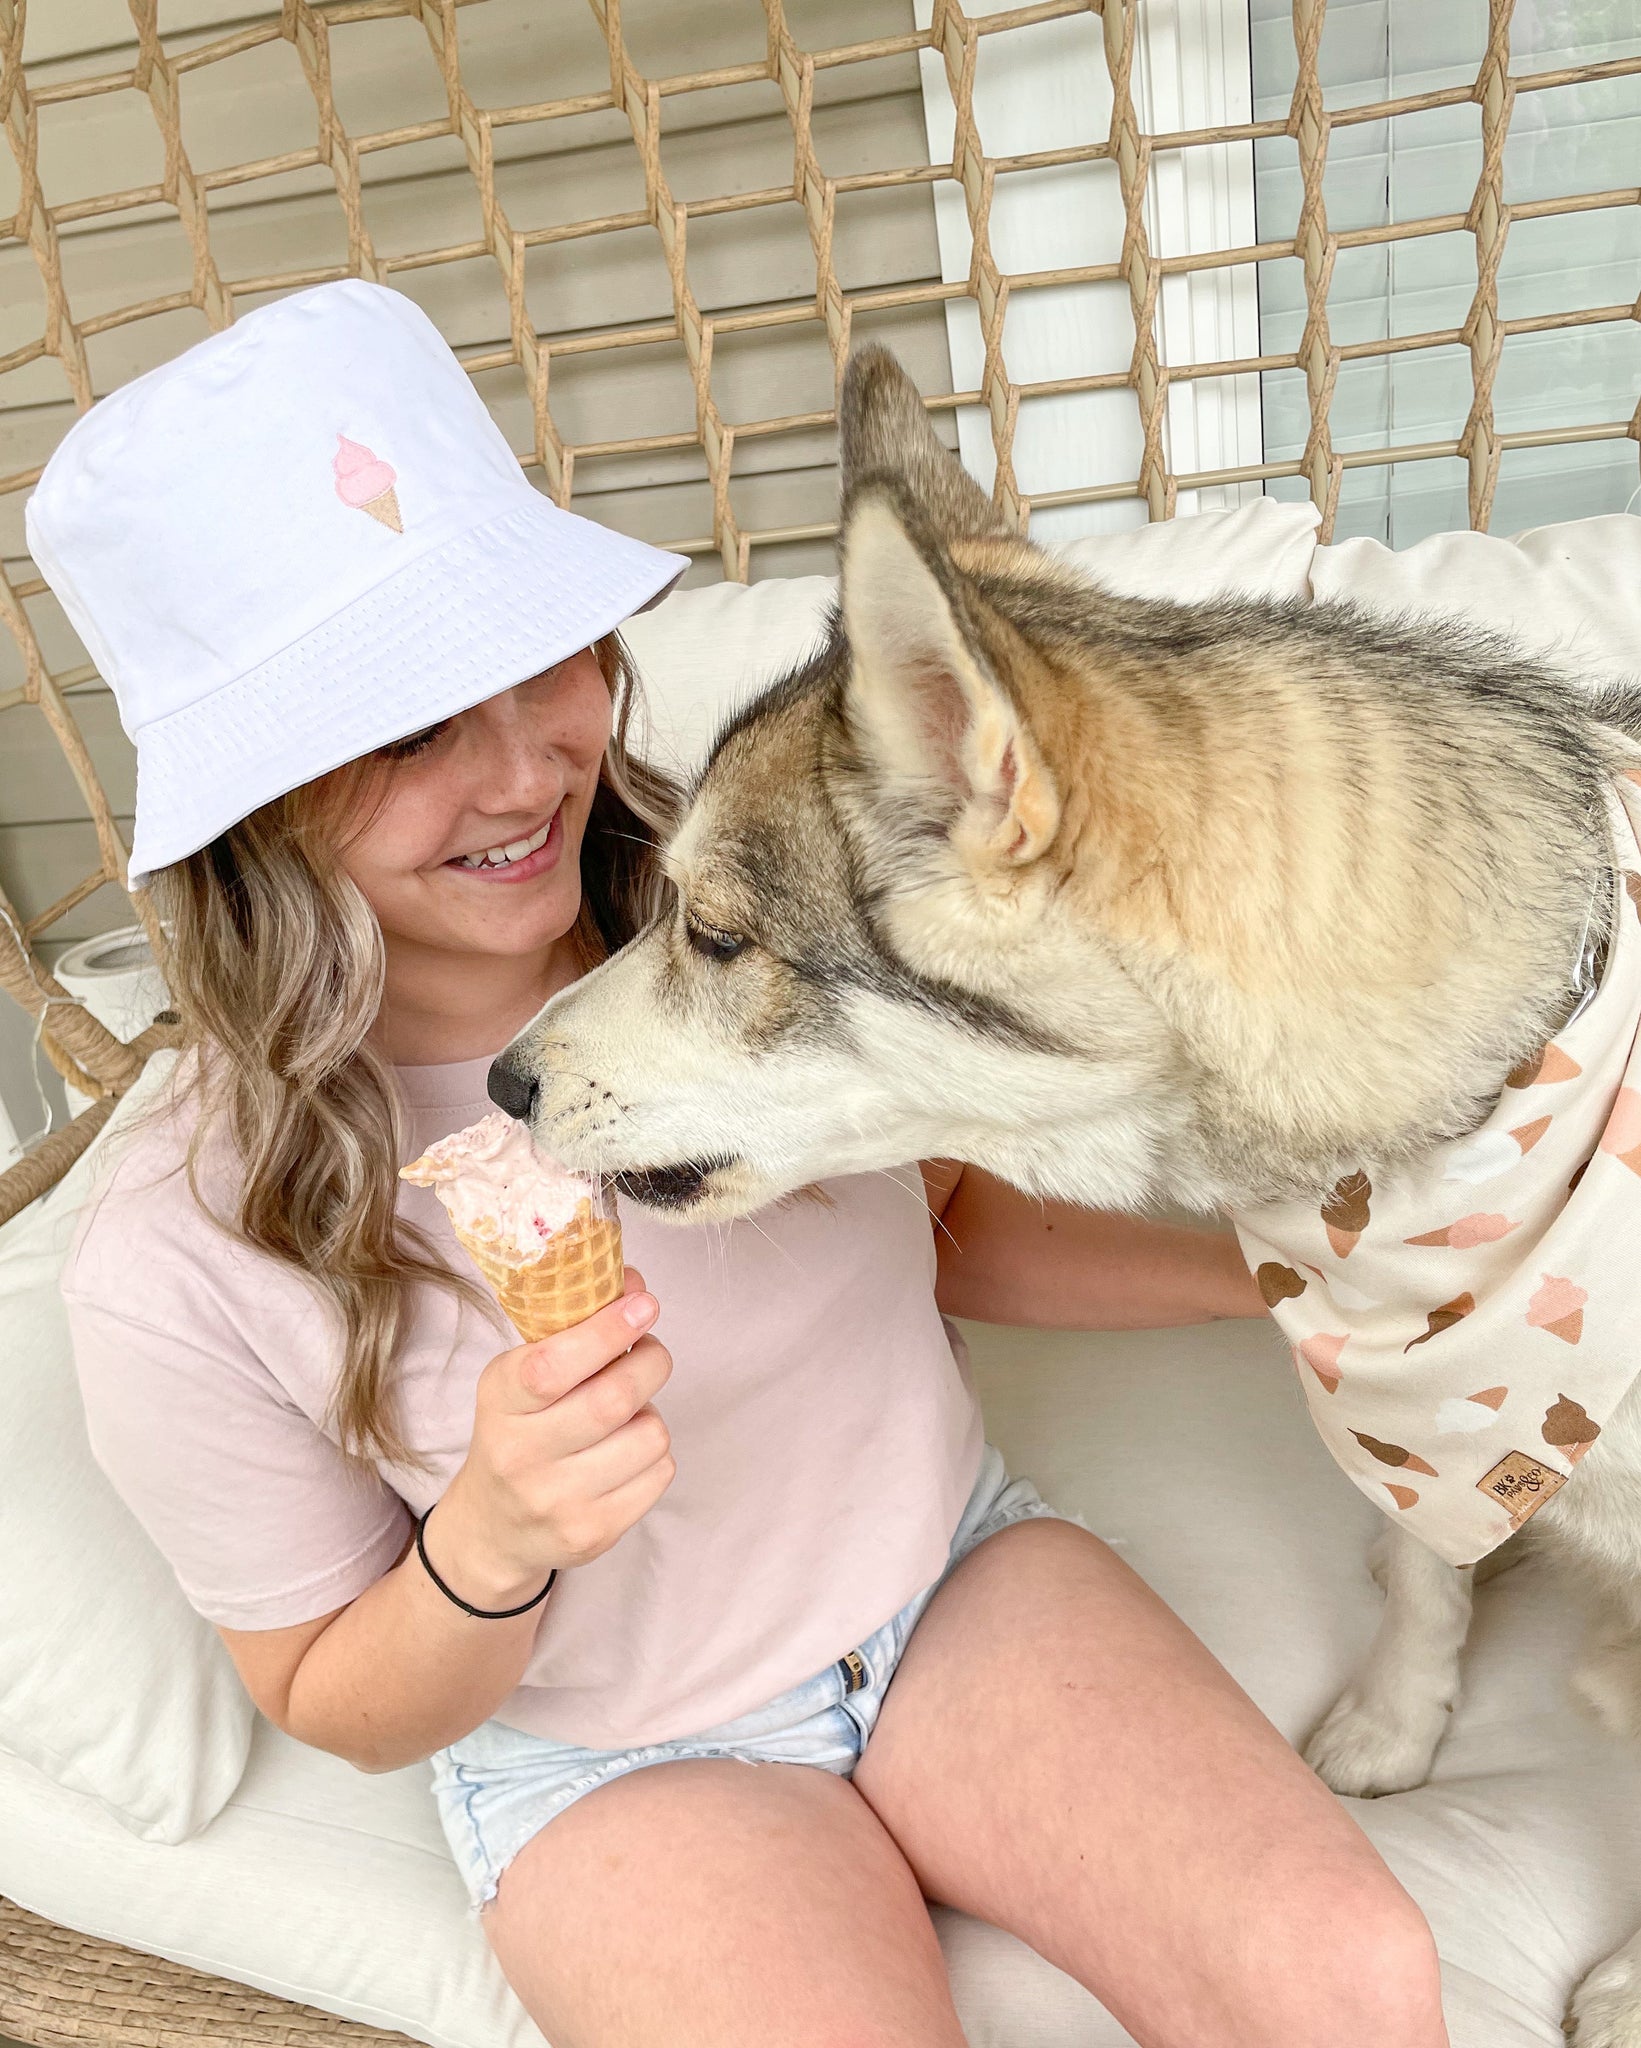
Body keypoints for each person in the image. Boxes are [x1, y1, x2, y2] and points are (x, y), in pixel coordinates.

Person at [36, 281, 1448, 2048]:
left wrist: (1314, 1261)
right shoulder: (178, 1247)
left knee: (1357, 1987)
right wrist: (494, 1540)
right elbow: (329, 1692)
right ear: (257, 805)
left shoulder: (736, 905)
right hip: (628, 1761)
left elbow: (945, 1231)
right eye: (404, 730)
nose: (525, 769)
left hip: (950, 1585)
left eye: (530, 658)